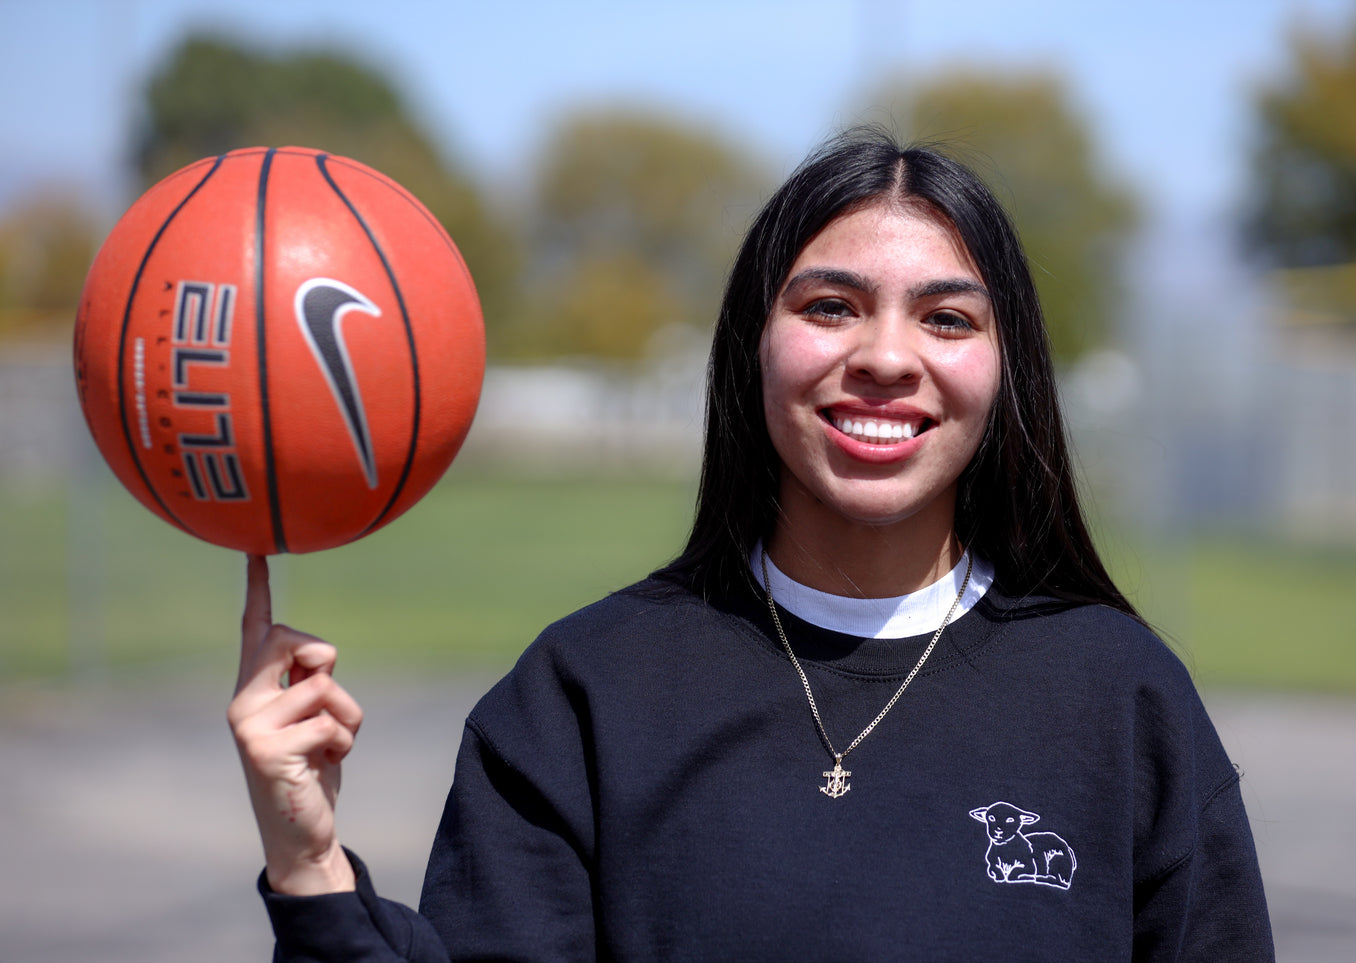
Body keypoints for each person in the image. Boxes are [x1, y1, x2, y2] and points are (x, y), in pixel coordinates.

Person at [230, 128, 1274, 960]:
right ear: (752, 346)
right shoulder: (583, 696)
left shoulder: (1118, 698)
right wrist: (310, 866)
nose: (883, 357)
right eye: (830, 306)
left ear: (1007, 373)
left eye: (946, 319)